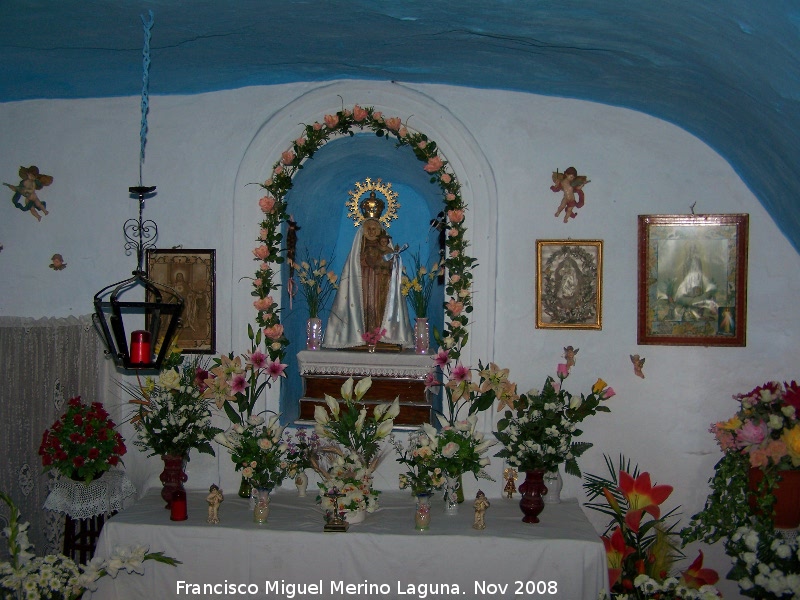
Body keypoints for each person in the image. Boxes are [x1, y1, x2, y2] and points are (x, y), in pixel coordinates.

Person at [323, 217, 414, 349]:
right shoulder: (359, 248)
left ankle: (381, 334)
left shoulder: (387, 250)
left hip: (381, 282)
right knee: (365, 304)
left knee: (379, 306)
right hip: (364, 281)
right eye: (369, 229)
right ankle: (363, 334)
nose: (371, 232)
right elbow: (354, 266)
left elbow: (392, 265)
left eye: (374, 229)